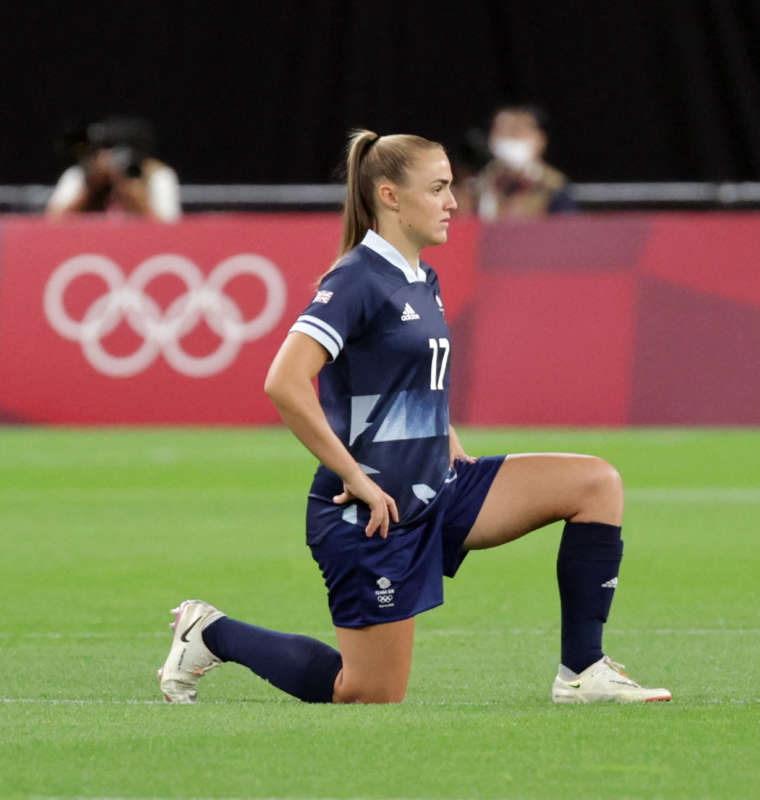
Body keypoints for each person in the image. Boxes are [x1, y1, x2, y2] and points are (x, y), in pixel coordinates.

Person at [157, 129, 670, 704]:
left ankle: (582, 672)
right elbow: (283, 382)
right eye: (439, 188)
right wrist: (354, 477)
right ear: (390, 196)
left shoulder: (422, 276)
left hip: (439, 486)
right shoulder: (356, 279)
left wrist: (443, 431)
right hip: (375, 512)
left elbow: (405, 372)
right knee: (368, 691)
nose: (454, 201)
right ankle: (211, 632)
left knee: (595, 483)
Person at [45, 116, 181, 223]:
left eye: (119, 152)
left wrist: (128, 189)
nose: (111, 158)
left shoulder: (157, 175)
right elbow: (51, 223)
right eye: (105, 150)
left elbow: (170, 228)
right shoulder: (79, 175)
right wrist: (91, 188)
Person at [470, 105, 575, 221]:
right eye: (501, 131)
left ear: (540, 140)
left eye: (517, 130)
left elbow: (566, 231)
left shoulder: (555, 187)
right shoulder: (478, 185)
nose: (509, 138)